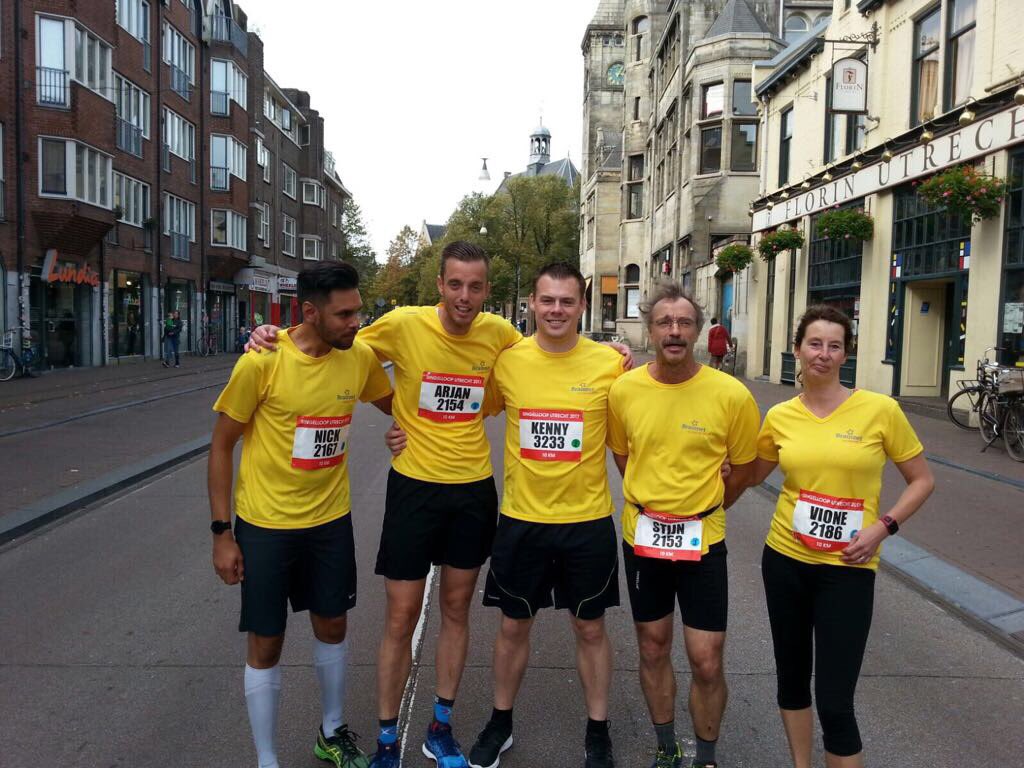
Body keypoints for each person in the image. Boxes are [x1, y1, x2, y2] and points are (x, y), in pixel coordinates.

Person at [247, 244, 632, 768]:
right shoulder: (403, 325)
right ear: (440, 285)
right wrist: (274, 335)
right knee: (401, 616)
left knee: (455, 611)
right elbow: (340, 343)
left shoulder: (502, 339)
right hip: (414, 489)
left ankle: (441, 727)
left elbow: (547, 362)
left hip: (473, 490)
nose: (465, 297)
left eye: (475, 287)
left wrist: (622, 361)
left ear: (488, 292)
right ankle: (386, 739)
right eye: (455, 285)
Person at [386, 263, 625, 768]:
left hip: (587, 520)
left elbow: (644, 417)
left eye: (566, 301)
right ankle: (500, 721)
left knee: (590, 629)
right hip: (522, 518)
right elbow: (462, 407)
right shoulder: (508, 359)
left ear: (582, 306)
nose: (556, 310)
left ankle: (598, 732)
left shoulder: (611, 364)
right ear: (531, 305)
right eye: (547, 301)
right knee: (514, 627)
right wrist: (403, 425)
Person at [208, 262, 394, 768]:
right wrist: (222, 533)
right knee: (266, 641)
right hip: (267, 526)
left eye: (358, 310)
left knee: (333, 624)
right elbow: (222, 447)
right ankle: (267, 758)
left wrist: (405, 429)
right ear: (309, 312)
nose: (357, 323)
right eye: (345, 314)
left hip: (329, 522)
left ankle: (331, 733)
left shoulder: (357, 359)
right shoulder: (261, 363)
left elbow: (396, 402)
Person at [749, 306, 934, 768]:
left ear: (845, 354)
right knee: (792, 681)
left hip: (848, 570)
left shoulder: (879, 411)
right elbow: (753, 473)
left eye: (835, 346)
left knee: (835, 701)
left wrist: (882, 527)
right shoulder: (780, 417)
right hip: (785, 561)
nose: (823, 355)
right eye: (815, 344)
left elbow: (922, 480)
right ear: (797, 350)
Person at [607, 282, 760, 768]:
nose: (674, 331)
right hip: (643, 539)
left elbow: (744, 469)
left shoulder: (731, 394)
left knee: (706, 659)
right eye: (664, 323)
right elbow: (624, 457)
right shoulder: (625, 390)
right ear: (650, 329)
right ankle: (667, 748)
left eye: (684, 323)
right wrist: (655, 500)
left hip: (703, 543)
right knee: (653, 649)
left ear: (698, 330)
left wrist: (707, 505)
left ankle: (706, 757)